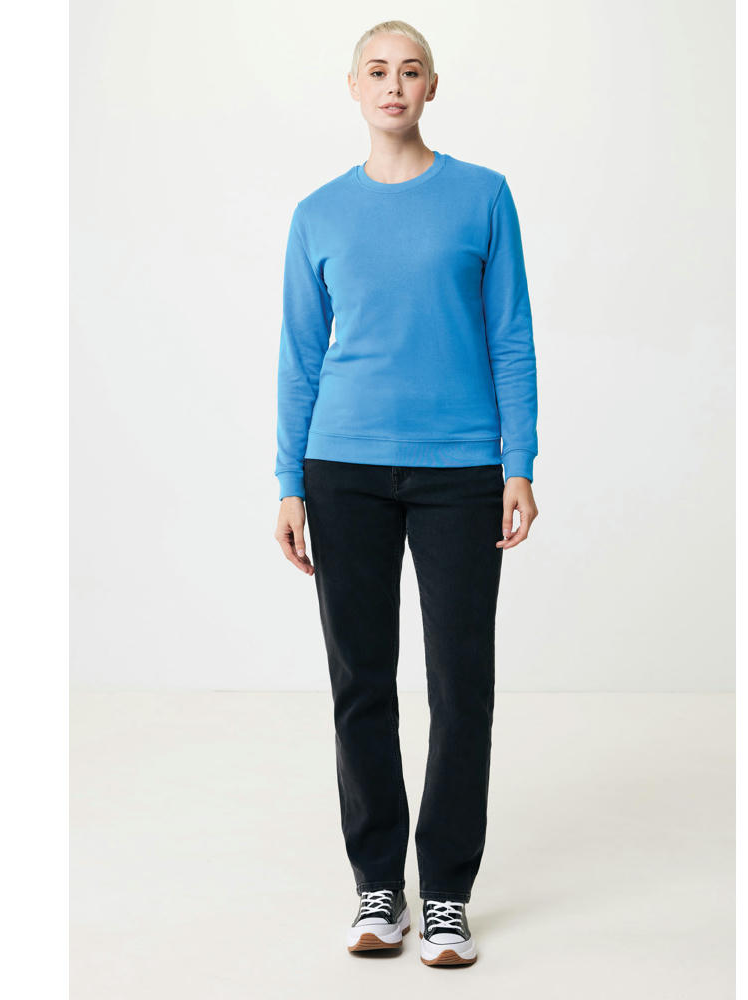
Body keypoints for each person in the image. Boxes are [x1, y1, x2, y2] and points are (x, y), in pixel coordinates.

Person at [273, 20, 539, 968]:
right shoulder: (318, 214)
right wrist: (289, 481)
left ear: (432, 86)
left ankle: (448, 894)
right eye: (377, 70)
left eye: (410, 70)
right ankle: (378, 884)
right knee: (361, 681)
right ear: (353, 86)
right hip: (341, 468)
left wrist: (519, 462)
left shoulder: (483, 197)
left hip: (461, 472)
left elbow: (510, 335)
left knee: (462, 684)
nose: (394, 85)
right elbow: (301, 357)